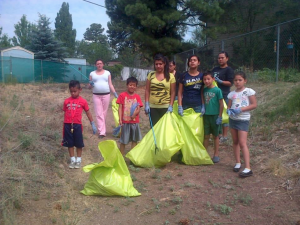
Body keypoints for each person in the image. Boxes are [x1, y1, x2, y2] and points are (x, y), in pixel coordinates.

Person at [62, 80, 97, 169]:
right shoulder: (66, 101)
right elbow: (65, 112)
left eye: (75, 91)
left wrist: (92, 123)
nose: (73, 93)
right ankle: (72, 160)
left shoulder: (83, 101)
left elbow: (88, 112)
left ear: (80, 90)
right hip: (68, 125)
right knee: (69, 143)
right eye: (71, 92)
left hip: (77, 125)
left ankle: (78, 160)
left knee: (78, 143)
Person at [227, 71, 257, 177]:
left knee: (242, 142)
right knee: (235, 141)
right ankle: (238, 162)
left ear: (245, 80)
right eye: (235, 80)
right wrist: (229, 111)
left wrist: (241, 109)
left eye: (240, 80)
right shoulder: (232, 94)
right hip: (233, 120)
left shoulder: (248, 91)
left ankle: (248, 167)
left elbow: (254, 105)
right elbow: (229, 106)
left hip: (243, 120)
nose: (237, 82)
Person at [89, 58, 118, 138]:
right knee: (99, 113)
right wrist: (90, 84)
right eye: (97, 64)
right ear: (95, 65)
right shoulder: (92, 74)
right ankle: (102, 132)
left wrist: (115, 93)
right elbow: (89, 87)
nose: (99, 65)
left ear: (103, 64)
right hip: (96, 95)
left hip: (106, 95)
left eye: (100, 63)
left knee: (104, 113)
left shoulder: (107, 73)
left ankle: (102, 129)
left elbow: (110, 84)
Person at [144, 54, 176, 126]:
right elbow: (147, 90)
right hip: (153, 107)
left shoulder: (171, 76)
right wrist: (146, 104)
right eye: (156, 64)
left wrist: (171, 106)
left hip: (166, 108)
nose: (158, 66)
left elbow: (173, 92)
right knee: (154, 129)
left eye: (160, 64)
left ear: (164, 64)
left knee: (165, 129)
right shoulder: (150, 75)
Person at [116, 77, 143, 155]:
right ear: (127, 85)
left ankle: (132, 156)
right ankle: (121, 156)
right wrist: (120, 119)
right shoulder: (122, 95)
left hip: (134, 122)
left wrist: (134, 115)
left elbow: (138, 108)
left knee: (134, 140)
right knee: (123, 140)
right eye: (130, 85)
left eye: (134, 85)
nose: (132, 87)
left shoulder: (137, 97)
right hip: (125, 122)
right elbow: (120, 108)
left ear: (136, 87)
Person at [212, 51, 234, 142]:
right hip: (215, 95)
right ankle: (219, 134)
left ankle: (225, 136)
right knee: (217, 115)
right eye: (219, 58)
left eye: (222, 58)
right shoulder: (215, 69)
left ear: (227, 58)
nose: (220, 59)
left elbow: (230, 83)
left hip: (224, 95)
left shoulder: (229, 70)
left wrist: (220, 81)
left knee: (225, 115)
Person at [202, 71, 224, 163]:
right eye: (204, 79)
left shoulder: (217, 90)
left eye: (208, 79)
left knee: (216, 136)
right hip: (206, 116)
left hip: (215, 115)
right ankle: (204, 154)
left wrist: (219, 116)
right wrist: (203, 108)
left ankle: (216, 154)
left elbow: (221, 104)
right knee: (206, 136)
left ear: (213, 79)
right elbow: (203, 100)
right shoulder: (204, 90)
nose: (206, 81)